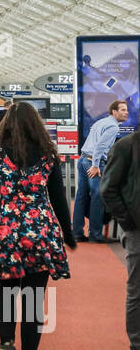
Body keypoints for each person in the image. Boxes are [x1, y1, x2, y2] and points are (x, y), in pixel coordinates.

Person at [0, 102, 75, 350]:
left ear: (6, 124)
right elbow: (58, 198)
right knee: (33, 300)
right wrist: (68, 233)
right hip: (40, 231)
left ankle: (6, 345)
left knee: (6, 293)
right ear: (36, 125)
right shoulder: (48, 155)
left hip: (6, 229)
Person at [101, 126, 140, 350]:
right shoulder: (126, 146)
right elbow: (108, 189)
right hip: (137, 230)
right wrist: (129, 222)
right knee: (137, 291)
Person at [72, 99, 129, 243]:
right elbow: (100, 147)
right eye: (122, 110)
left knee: (81, 196)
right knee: (98, 196)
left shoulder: (100, 122)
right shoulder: (113, 127)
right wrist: (96, 165)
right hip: (93, 163)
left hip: (83, 159)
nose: (126, 112)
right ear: (114, 112)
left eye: (126, 109)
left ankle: (77, 233)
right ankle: (95, 234)